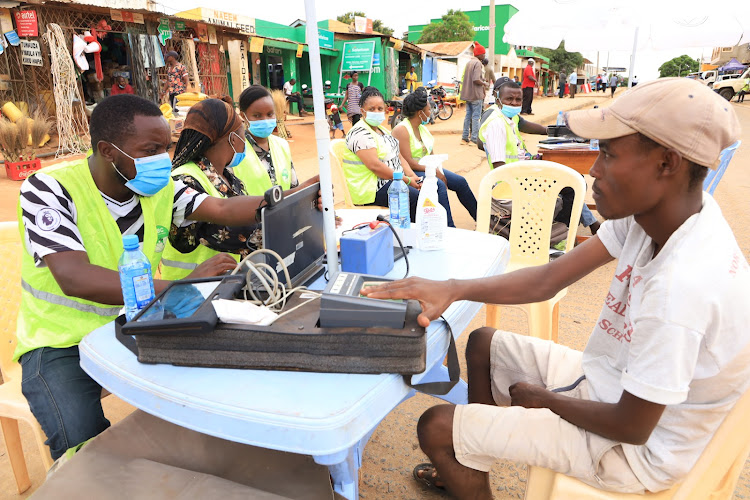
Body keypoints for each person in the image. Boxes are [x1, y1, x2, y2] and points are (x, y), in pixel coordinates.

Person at [363, 78, 748, 499]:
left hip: (635, 450)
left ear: (667, 163)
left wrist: (545, 400)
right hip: (611, 384)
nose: (594, 171)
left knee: (435, 426)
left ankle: (458, 454)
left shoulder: (683, 285)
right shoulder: (663, 213)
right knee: (483, 343)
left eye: (608, 154)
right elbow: (548, 278)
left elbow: (632, 427)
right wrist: (453, 288)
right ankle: (469, 465)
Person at [16, 94, 275, 460]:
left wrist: (285, 197)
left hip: (137, 320)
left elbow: (219, 207)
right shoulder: (48, 190)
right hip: (60, 342)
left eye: (165, 147)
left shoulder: (159, 187)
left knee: (214, 381)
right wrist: (182, 288)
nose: (162, 159)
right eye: (149, 149)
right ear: (108, 150)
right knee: (81, 437)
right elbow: (75, 278)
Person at [477, 78, 600, 232]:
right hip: (515, 180)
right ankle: (563, 231)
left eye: (518, 100)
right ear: (497, 98)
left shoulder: (508, 116)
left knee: (573, 179)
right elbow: (499, 167)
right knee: (571, 184)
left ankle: (565, 229)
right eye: (509, 99)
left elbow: (526, 127)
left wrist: (555, 131)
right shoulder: (495, 121)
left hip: (523, 171)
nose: (514, 103)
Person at [342, 86, 454, 226]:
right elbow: (375, 166)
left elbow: (399, 156)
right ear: (362, 110)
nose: (376, 112)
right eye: (371, 109)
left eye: (380, 108)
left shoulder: (381, 130)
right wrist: (407, 180)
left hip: (393, 181)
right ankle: (416, 234)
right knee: (417, 198)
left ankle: (447, 228)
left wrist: (412, 176)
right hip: (372, 188)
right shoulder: (359, 133)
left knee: (434, 185)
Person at [393, 88, 477, 221]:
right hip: (412, 171)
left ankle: (483, 220)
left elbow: (431, 154)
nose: (431, 112)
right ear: (420, 113)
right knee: (439, 185)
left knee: (460, 182)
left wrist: (437, 169)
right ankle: (449, 227)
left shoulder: (423, 129)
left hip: (427, 169)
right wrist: (434, 171)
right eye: (428, 109)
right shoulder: (401, 129)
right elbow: (408, 162)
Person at [460, 42, 488, 145]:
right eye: (484, 54)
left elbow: (473, 77)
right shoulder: (478, 64)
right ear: (479, 54)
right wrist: (484, 83)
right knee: (476, 117)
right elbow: (476, 79)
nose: (484, 56)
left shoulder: (469, 63)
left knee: (468, 116)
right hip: (476, 95)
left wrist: (482, 79)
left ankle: (464, 138)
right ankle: (474, 139)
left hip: (468, 94)